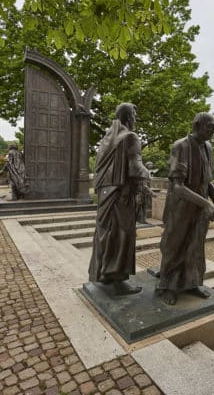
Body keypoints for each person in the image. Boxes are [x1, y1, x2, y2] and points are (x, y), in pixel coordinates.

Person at [156, 112, 214, 306]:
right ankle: (167, 286)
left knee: (195, 248)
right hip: (180, 209)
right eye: (210, 127)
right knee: (174, 247)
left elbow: (208, 183)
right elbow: (178, 187)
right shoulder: (180, 146)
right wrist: (207, 205)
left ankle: (193, 283)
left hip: (199, 210)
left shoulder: (208, 147)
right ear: (197, 125)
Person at [88, 103, 151, 296]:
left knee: (106, 234)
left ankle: (104, 275)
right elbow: (135, 168)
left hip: (106, 195)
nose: (135, 118)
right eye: (134, 114)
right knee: (123, 235)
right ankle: (119, 280)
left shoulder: (107, 139)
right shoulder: (130, 137)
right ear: (129, 117)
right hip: (121, 195)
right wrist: (149, 174)